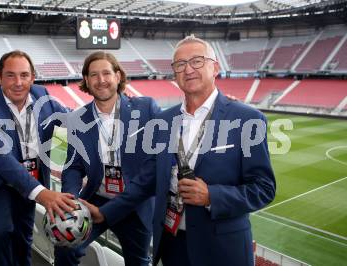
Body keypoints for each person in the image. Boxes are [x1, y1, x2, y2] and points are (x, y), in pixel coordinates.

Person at [96, 36, 276, 266]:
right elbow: (146, 181)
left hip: (222, 250)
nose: (188, 69)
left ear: (216, 67)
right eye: (180, 64)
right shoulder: (163, 121)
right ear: (174, 73)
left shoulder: (248, 119)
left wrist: (212, 195)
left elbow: (264, 188)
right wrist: (106, 212)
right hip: (172, 245)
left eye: (197, 61)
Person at [0, 50, 77, 266]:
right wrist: (42, 193)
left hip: (29, 181)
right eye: (10, 75)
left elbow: (71, 118)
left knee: (24, 238)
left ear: (33, 77)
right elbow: (1, 159)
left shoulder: (43, 96)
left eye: (24, 75)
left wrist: (100, 115)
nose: (18, 82)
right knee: (1, 231)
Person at [54, 51, 160, 266]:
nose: (101, 80)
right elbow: (73, 166)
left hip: (134, 202)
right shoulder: (77, 119)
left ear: (118, 76)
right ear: (86, 80)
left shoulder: (146, 108)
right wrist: (71, 199)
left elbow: (158, 162)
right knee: (65, 248)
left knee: (138, 262)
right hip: (95, 199)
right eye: (94, 75)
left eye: (106, 73)